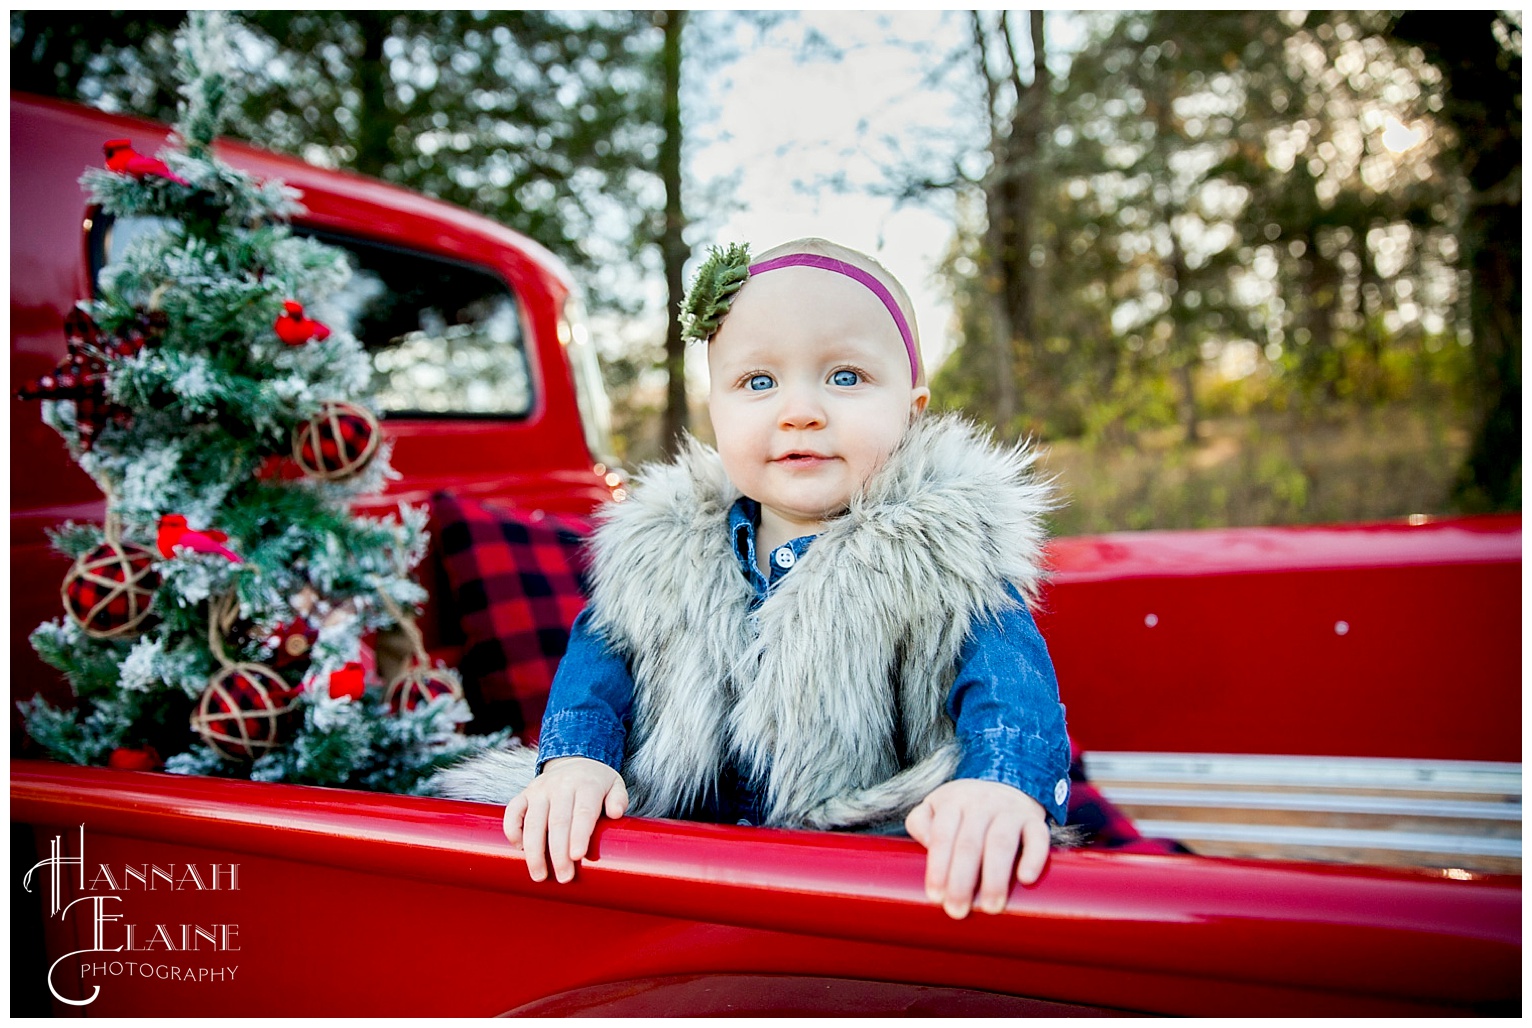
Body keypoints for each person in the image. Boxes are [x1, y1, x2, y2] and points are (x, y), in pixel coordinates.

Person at [436, 238, 1070, 920]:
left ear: (912, 411)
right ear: (718, 413)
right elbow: (603, 662)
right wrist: (577, 759)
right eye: (759, 383)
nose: (799, 411)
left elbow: (1009, 691)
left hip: (865, 877)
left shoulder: (944, 554)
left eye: (846, 377)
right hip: (677, 863)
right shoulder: (661, 554)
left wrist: (1000, 785)